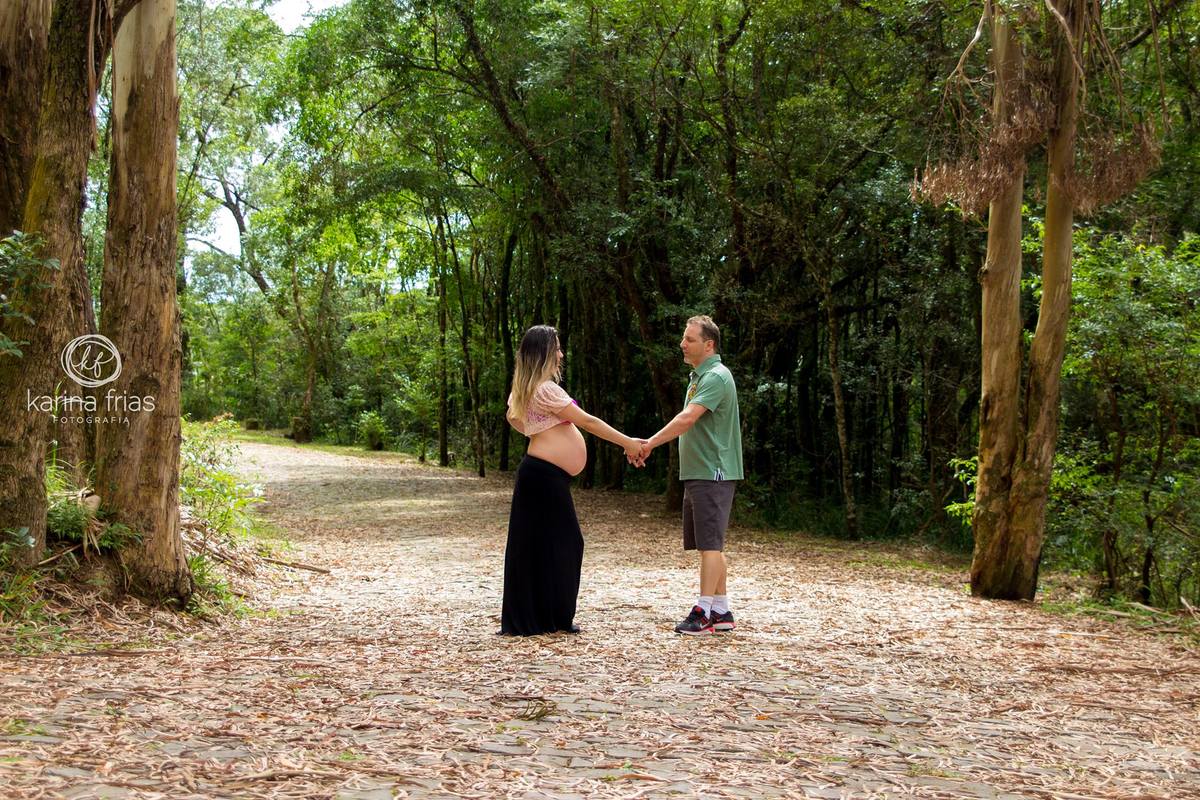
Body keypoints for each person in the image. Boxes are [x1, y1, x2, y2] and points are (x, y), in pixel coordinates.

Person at [500, 325, 645, 636]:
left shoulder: (523, 390)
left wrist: (539, 431)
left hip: (538, 474)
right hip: (543, 476)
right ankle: (553, 617)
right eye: (557, 348)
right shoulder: (546, 389)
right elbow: (588, 421)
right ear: (543, 354)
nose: (561, 354)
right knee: (565, 542)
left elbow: (513, 418)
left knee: (537, 545)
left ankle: (541, 617)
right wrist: (628, 442)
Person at [636, 315, 743, 635]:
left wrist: (650, 443)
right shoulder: (699, 377)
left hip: (714, 472)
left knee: (711, 545)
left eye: (690, 339)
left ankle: (703, 612)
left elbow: (687, 419)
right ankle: (721, 610)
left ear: (708, 345)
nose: (682, 344)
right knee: (709, 545)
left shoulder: (716, 377)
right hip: (699, 472)